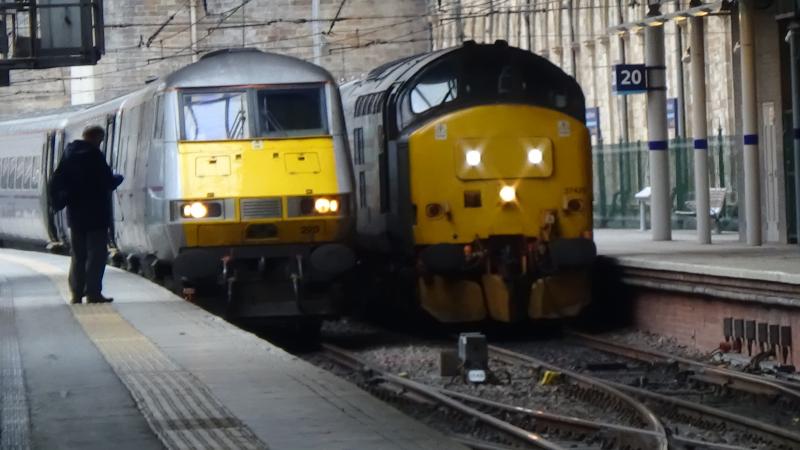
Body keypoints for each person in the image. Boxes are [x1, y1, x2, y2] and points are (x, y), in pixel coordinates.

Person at [50, 125, 124, 304]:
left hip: (75, 215)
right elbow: (105, 181)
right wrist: (118, 179)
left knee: (78, 255)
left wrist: (58, 203)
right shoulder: (95, 156)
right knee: (97, 254)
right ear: (98, 138)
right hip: (96, 214)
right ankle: (93, 292)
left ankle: (76, 293)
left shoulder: (69, 154)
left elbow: (56, 181)